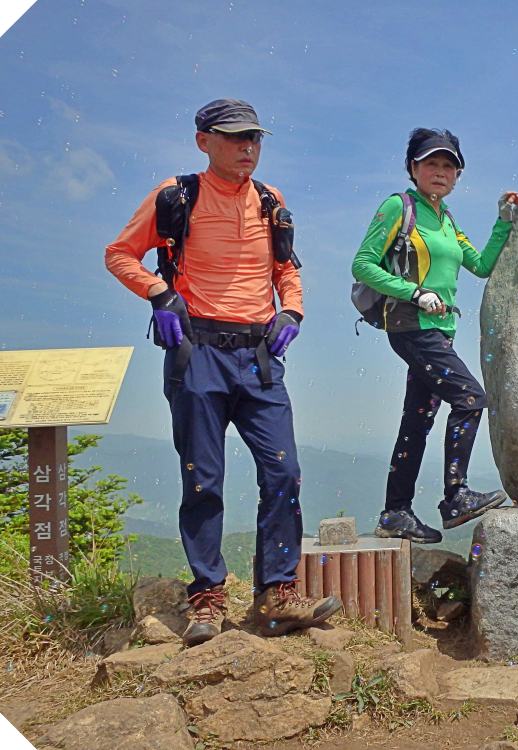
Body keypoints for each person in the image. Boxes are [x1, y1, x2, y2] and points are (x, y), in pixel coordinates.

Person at [105, 98, 340, 646]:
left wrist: (292, 311)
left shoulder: (270, 201)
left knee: (284, 472)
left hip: (259, 356)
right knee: (203, 478)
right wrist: (159, 293)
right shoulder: (176, 196)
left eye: (254, 138)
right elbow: (119, 254)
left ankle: (276, 594)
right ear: (203, 141)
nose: (247, 147)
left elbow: (286, 268)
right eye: (235, 137)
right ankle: (207, 594)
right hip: (198, 352)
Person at [351, 128, 518, 543]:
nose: (440, 171)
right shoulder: (399, 206)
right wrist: (415, 292)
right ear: (413, 168)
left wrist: (503, 222)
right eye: (431, 163)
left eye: (449, 166)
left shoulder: (446, 219)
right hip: (412, 326)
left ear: (458, 176)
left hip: (439, 331)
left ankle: (395, 513)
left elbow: (480, 265)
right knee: (470, 399)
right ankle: (456, 496)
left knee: (417, 420)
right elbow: (363, 264)